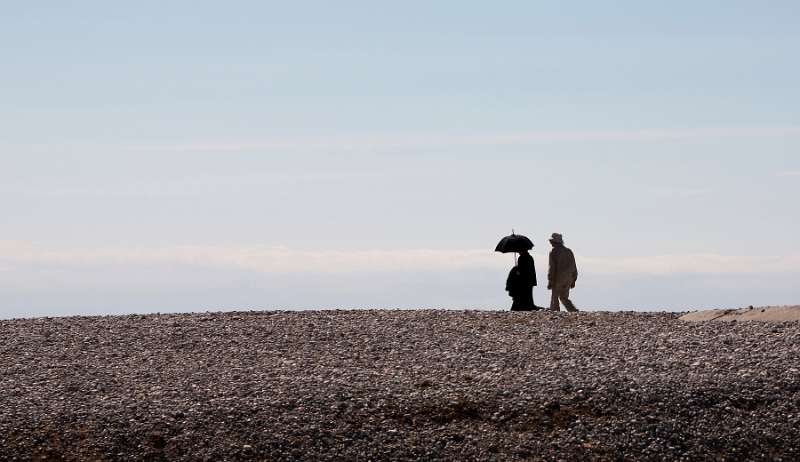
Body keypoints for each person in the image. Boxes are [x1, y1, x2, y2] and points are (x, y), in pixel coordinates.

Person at [547, 233, 579, 312]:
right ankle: (573, 310)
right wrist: (574, 279)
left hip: (558, 278)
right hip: (569, 278)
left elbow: (552, 268)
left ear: (554, 242)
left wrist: (550, 280)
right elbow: (574, 266)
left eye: (551, 241)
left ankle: (555, 313)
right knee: (564, 297)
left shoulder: (553, 252)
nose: (550, 243)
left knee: (555, 297)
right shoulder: (569, 251)